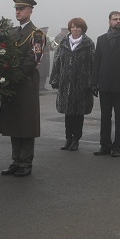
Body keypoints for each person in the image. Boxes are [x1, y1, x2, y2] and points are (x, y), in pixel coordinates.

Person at [0, 0, 42, 177]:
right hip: (12, 83)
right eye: (16, 9)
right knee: (14, 123)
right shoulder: (13, 33)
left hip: (26, 83)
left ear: (30, 11)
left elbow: (34, 59)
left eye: (22, 9)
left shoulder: (36, 34)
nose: (18, 12)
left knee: (26, 123)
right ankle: (16, 160)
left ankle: (25, 162)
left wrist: (15, 75)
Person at [90, 11, 120, 157]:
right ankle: (105, 146)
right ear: (109, 22)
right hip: (104, 84)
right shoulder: (101, 39)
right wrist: (93, 83)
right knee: (105, 117)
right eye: (115, 19)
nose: (118, 21)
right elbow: (97, 62)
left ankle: (117, 147)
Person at [49, 17, 95, 151]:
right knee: (68, 113)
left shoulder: (88, 43)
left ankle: (76, 139)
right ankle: (68, 138)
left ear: (82, 29)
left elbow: (93, 64)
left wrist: (92, 82)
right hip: (66, 83)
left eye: (78, 27)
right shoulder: (63, 42)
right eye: (73, 27)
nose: (75, 29)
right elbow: (57, 61)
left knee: (78, 114)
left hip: (82, 84)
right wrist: (55, 79)